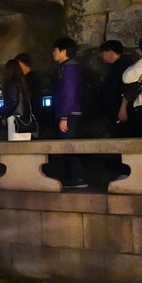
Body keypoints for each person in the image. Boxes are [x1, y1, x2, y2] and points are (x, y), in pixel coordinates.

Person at [52, 37, 88, 188]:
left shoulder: (70, 68)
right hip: (71, 112)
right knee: (68, 146)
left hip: (70, 113)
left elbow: (70, 93)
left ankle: (78, 178)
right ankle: (74, 177)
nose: (53, 53)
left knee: (69, 146)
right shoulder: (67, 67)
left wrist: (65, 116)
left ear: (63, 51)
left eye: (55, 49)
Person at [98, 40, 134, 137]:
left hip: (119, 109)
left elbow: (126, 89)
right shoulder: (118, 66)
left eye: (103, 53)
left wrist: (123, 108)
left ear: (110, 52)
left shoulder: (121, 68)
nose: (102, 56)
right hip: (115, 109)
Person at [0, 59, 31, 141]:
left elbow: (12, 103)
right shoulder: (22, 83)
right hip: (25, 120)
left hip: (15, 120)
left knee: (14, 146)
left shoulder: (12, 85)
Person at [15, 53, 47, 138]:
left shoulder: (26, 80)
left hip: (29, 118)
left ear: (20, 64)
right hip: (36, 116)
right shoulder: (36, 77)